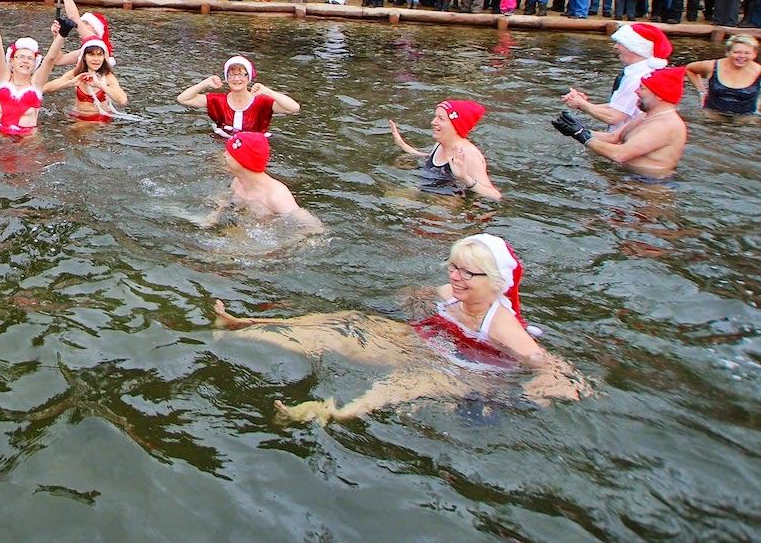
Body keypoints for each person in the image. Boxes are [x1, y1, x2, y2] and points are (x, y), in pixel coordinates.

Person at [213, 234, 586, 424]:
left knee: (409, 384)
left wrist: (535, 394)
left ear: (494, 280)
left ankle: (332, 412)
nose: (454, 277)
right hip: (427, 346)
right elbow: (417, 297)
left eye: (466, 273)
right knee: (350, 323)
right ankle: (247, 327)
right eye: (452, 267)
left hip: (467, 374)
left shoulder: (502, 325)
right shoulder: (447, 294)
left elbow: (554, 370)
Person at [555, 66, 688, 176]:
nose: (636, 91)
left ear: (659, 95)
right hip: (627, 177)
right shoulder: (647, 116)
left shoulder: (664, 126)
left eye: (642, 88)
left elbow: (619, 154)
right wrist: (575, 129)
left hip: (648, 187)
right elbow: (613, 137)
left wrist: (582, 136)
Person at [562, 22, 672, 129]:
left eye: (621, 43)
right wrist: (583, 104)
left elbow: (614, 117)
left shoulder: (638, 77)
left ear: (634, 47)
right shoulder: (637, 72)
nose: (616, 47)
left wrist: (582, 104)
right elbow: (618, 107)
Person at [0, 1, 68, 134]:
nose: (25, 61)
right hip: (0, 138)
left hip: (28, 142)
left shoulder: (36, 83)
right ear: (12, 61)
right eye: (20, 57)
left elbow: (50, 59)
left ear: (34, 64)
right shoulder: (4, 79)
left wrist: (62, 35)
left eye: (30, 58)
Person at [389, 100, 503, 199]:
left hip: (449, 205)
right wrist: (404, 146)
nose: (433, 122)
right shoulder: (439, 145)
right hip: (429, 192)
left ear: (455, 125)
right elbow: (429, 159)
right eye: (435, 117)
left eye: (441, 119)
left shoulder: (469, 156)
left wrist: (465, 178)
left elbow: (494, 195)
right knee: (390, 195)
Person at [177, 56, 300, 137]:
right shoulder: (217, 100)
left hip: (254, 145)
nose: (236, 79)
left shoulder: (262, 102)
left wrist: (269, 92)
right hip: (223, 142)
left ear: (248, 77)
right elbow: (183, 99)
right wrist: (204, 84)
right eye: (231, 75)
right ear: (227, 78)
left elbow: (294, 108)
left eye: (241, 74)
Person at [216, 131, 316, 223]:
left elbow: (312, 227)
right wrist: (214, 216)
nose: (224, 155)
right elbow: (226, 198)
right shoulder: (238, 181)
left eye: (229, 153)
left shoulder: (277, 195)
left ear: (240, 162)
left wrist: (287, 242)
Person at [44, 37, 127, 122]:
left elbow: (122, 100)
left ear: (103, 57)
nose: (96, 59)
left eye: (99, 55)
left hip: (99, 120)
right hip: (77, 116)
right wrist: (70, 83)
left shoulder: (107, 76)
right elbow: (45, 88)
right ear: (84, 57)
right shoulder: (76, 74)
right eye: (91, 55)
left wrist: (99, 85)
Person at [684, 34, 760, 115]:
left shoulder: (759, 71)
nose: (742, 56)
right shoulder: (712, 66)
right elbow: (689, 69)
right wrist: (701, 92)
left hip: (745, 121)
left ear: (754, 54)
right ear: (728, 52)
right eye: (736, 52)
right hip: (711, 117)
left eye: (747, 53)